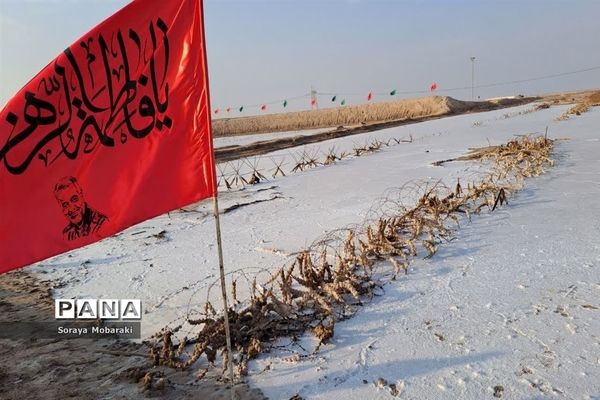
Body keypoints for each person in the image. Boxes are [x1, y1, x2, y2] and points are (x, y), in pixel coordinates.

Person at [53, 176, 107, 240]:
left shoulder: (102, 224)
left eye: (74, 199)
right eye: (65, 205)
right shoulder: (67, 234)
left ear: (81, 196)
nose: (71, 209)